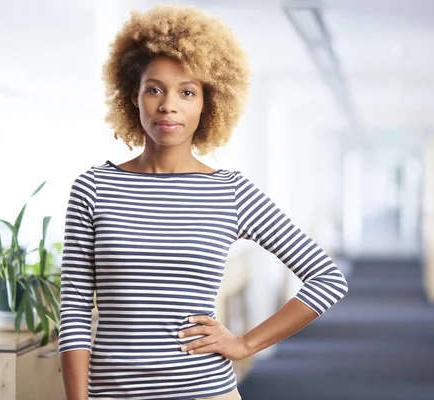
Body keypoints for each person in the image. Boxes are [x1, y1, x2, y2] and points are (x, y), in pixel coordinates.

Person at [58, 5, 348, 400]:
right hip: (113, 392)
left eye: (187, 92)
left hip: (204, 390)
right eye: (154, 89)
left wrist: (245, 344)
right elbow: (73, 310)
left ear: (207, 103)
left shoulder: (231, 192)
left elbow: (327, 279)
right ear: (134, 96)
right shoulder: (94, 187)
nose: (168, 105)